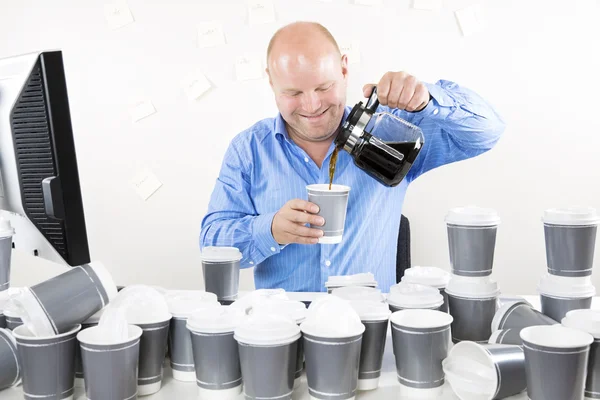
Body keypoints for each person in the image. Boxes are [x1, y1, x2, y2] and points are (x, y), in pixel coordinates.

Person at [200, 21, 505, 292]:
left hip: (368, 328)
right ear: (271, 82)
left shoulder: (392, 131)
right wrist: (269, 230)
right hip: (283, 334)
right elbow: (211, 242)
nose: (311, 105)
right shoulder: (250, 149)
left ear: (344, 69)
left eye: (324, 86)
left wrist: (427, 99)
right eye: (293, 93)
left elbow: (488, 131)